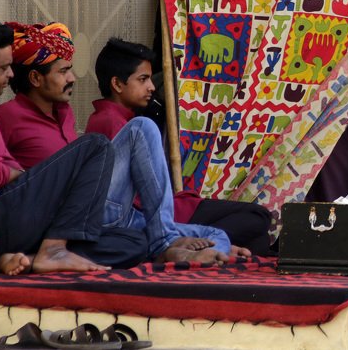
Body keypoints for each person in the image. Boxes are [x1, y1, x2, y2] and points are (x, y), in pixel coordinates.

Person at [0, 22, 243, 264]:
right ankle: (164, 242)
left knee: (215, 235)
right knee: (142, 128)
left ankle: (180, 249)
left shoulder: (65, 114)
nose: (72, 78)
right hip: (63, 218)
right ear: (36, 78)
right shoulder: (5, 117)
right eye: (63, 71)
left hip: (97, 212)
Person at [0, 17, 147, 274]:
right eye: (4, 67)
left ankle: (30, 257)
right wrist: (32, 177)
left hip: (5, 221)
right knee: (97, 145)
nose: (11, 74)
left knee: (134, 241)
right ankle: (54, 250)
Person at [87, 37, 272, 255]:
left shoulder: (121, 119)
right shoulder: (117, 124)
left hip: (165, 209)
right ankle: (184, 245)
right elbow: (131, 195)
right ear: (117, 84)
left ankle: (212, 250)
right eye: (143, 79)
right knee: (257, 218)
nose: (151, 87)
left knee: (256, 234)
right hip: (151, 216)